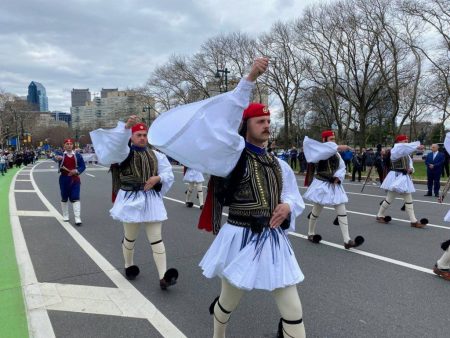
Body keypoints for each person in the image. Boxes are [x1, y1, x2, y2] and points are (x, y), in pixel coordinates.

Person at [149, 58, 307, 338]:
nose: (267, 126)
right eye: (261, 121)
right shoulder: (231, 157)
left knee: (293, 312)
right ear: (246, 126)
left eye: (269, 121)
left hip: (273, 239)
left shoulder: (279, 164)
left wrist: (288, 206)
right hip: (240, 238)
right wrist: (250, 78)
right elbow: (227, 117)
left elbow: (293, 196)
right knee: (228, 303)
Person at [90, 118, 177, 290]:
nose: (143, 138)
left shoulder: (155, 155)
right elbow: (116, 146)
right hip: (131, 199)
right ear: (131, 137)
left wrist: (158, 178)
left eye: (145, 135)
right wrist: (126, 128)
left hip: (151, 199)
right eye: (139, 135)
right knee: (130, 238)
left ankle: (163, 277)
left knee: (157, 239)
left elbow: (168, 172)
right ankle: (129, 265)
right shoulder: (124, 153)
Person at [303, 131, 364, 249]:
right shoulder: (319, 151)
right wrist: (339, 147)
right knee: (316, 211)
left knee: (342, 210)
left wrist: (338, 177)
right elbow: (325, 151)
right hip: (322, 184)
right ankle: (311, 233)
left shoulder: (336, 153)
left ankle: (347, 240)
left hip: (334, 185)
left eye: (334, 139)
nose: (333, 141)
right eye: (331, 139)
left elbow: (342, 167)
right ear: (324, 140)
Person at [376, 134, 428, 228]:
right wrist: (417, 145)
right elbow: (401, 148)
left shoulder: (406, 153)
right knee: (389, 199)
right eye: (404, 141)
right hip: (396, 177)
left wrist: (411, 169)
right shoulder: (395, 150)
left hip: (404, 178)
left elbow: (410, 163)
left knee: (408, 200)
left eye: (407, 141)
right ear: (399, 141)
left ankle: (413, 221)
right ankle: (380, 215)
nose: (406, 142)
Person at [54, 139, 86, 226]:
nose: (69, 145)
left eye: (70, 144)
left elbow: (83, 166)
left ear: (73, 145)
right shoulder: (61, 154)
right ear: (64, 146)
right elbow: (55, 158)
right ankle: (65, 215)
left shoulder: (78, 155)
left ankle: (77, 218)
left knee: (75, 196)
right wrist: (57, 158)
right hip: (64, 179)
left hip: (75, 179)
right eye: (67, 144)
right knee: (64, 197)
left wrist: (77, 170)